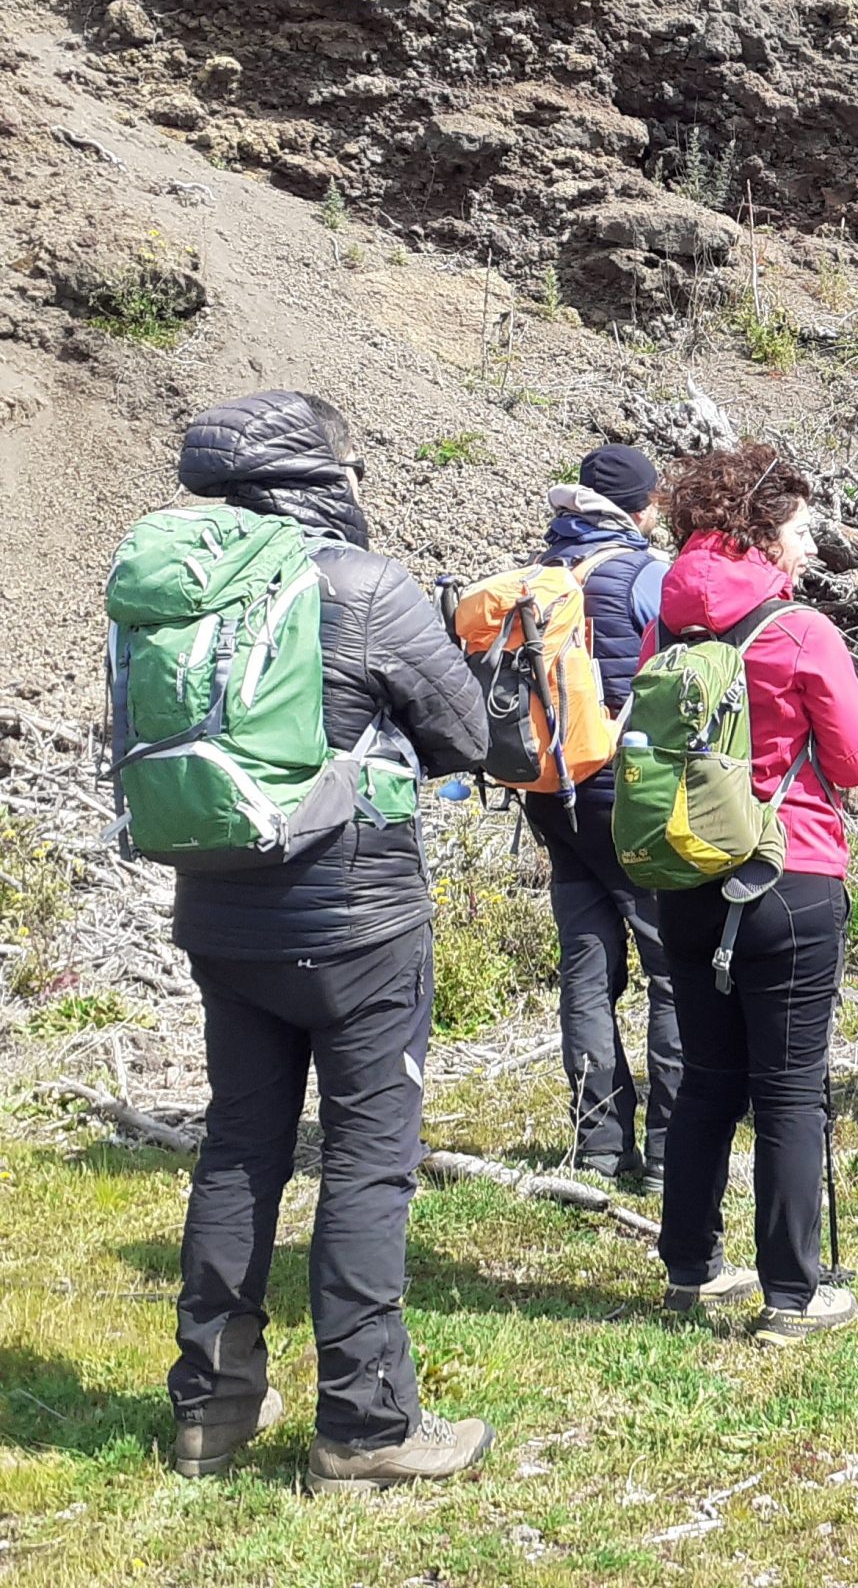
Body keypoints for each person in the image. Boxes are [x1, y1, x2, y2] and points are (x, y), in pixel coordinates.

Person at [161, 391, 496, 1490]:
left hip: (221, 913)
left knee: (239, 1150)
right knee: (366, 1162)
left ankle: (208, 1412)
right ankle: (365, 1424)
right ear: (322, 479)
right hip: (357, 925)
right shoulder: (363, 585)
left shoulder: (173, 591)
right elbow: (467, 734)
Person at [650, 444, 858, 1345]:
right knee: (789, 1088)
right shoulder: (800, 632)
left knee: (707, 1077)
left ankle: (690, 1267)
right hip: (791, 874)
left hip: (687, 876)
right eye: (798, 529)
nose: (807, 546)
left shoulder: (668, 623)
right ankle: (795, 1291)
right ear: (762, 532)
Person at [519, 445, 680, 1189]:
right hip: (627, 793)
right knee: (670, 967)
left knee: (587, 967)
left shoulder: (541, 576)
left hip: (552, 793)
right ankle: (669, 1151)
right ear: (642, 509)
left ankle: (598, 1144)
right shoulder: (644, 574)